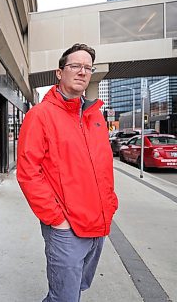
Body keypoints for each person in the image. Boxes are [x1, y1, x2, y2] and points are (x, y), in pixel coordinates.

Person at [17, 43, 118, 302]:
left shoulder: (95, 117)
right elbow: (29, 172)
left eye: (88, 67)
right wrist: (56, 219)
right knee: (64, 297)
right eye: (75, 65)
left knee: (76, 289)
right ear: (59, 73)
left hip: (98, 222)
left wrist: (110, 203)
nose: (82, 71)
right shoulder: (40, 116)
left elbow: (103, 166)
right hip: (66, 227)